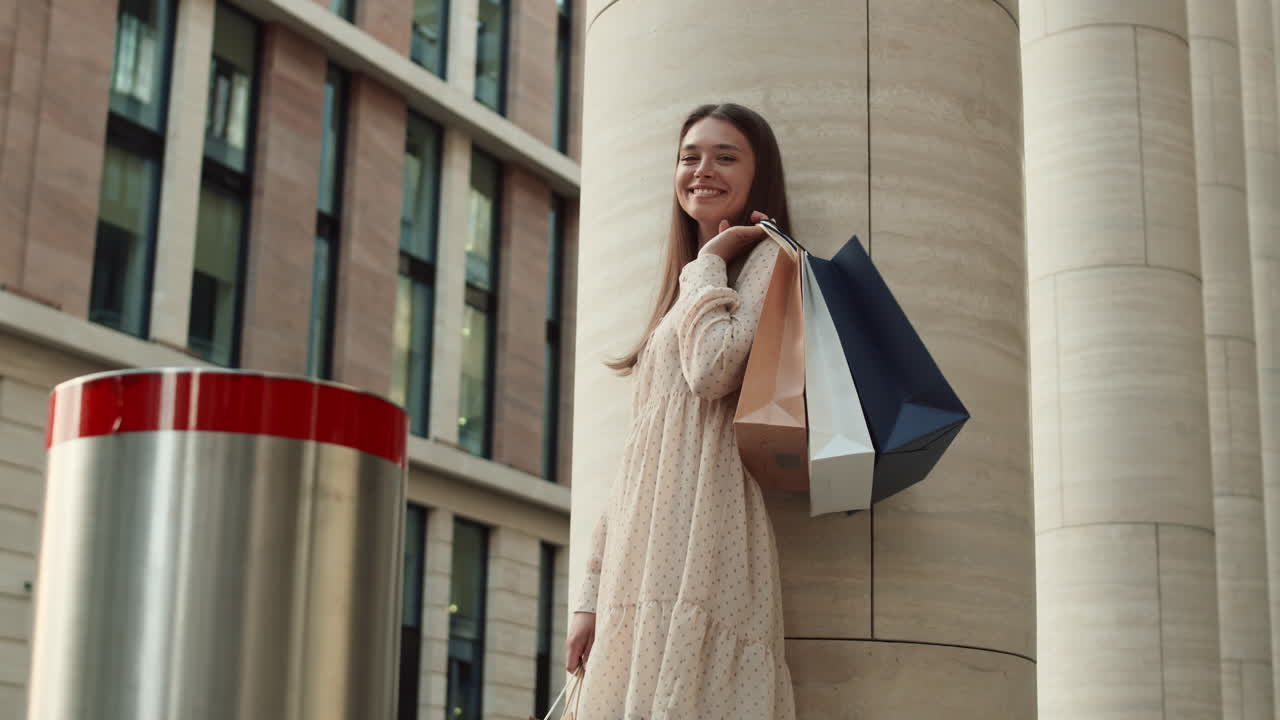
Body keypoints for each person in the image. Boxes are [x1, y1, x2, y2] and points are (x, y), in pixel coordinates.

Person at [563, 103, 797, 719]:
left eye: (725, 156)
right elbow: (636, 453)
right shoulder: (684, 286)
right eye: (690, 156)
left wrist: (715, 256)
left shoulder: (766, 260)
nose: (702, 170)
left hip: (706, 522)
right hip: (641, 543)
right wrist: (590, 595)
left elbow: (713, 369)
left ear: (758, 173)